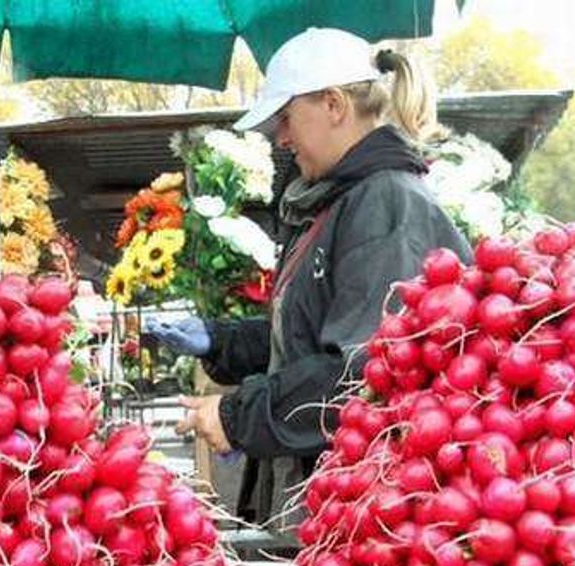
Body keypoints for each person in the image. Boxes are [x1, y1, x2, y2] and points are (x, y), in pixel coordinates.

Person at [152, 28, 471, 525]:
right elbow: (315, 333)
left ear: (333, 104)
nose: (281, 138)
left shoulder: (386, 205)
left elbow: (361, 372)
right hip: (334, 497)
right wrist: (221, 341)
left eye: (285, 118)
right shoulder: (343, 202)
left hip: (369, 506)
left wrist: (238, 417)